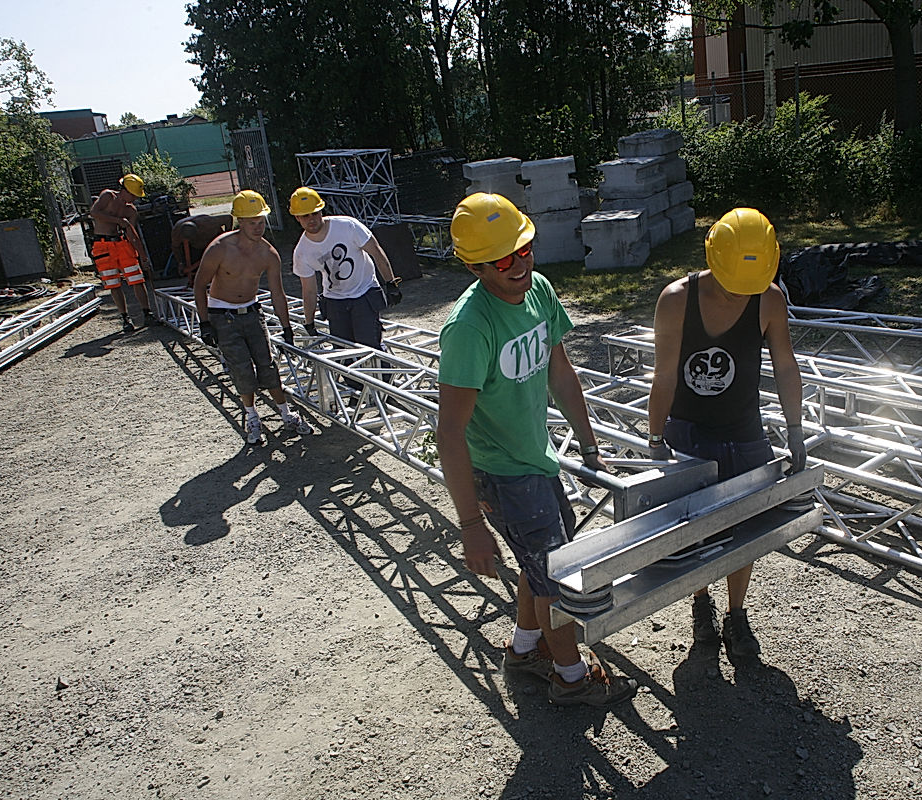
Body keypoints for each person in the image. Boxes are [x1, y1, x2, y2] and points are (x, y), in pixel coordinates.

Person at [435, 192, 638, 707]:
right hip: (503, 473)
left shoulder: (539, 291)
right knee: (554, 580)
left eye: (524, 249)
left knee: (541, 566)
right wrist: (471, 525)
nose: (519, 264)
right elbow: (449, 432)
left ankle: (525, 650)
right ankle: (571, 679)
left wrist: (590, 448)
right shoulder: (470, 327)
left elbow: (561, 373)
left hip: (536, 458)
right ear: (474, 264)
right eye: (503, 258)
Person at [646, 207, 806, 660]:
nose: (741, 297)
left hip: (743, 429)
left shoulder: (769, 299)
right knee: (694, 527)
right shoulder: (677, 300)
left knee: (743, 528)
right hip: (689, 429)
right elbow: (664, 376)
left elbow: (785, 365)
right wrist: (656, 439)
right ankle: (701, 602)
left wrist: (795, 429)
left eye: (749, 290)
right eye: (735, 287)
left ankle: (736, 613)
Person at [193, 190, 313, 445]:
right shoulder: (219, 249)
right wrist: (204, 323)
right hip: (222, 314)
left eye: (261, 222)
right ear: (239, 221)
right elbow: (199, 285)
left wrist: (286, 326)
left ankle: (285, 414)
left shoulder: (268, 254)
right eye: (252, 223)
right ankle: (252, 417)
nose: (258, 228)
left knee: (267, 365)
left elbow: (278, 293)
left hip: (251, 311)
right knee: (241, 369)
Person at [288, 186, 402, 346]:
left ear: (322, 211)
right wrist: (309, 321)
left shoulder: (347, 226)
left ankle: (383, 372)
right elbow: (309, 290)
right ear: (297, 218)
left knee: (370, 346)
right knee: (343, 352)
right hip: (335, 299)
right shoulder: (302, 251)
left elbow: (376, 252)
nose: (311, 219)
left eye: (315, 213)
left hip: (364, 292)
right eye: (305, 216)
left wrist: (391, 283)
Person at [89, 173, 155, 332]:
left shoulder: (131, 210)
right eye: (133, 195)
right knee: (113, 283)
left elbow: (132, 233)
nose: (134, 199)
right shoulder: (107, 196)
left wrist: (143, 256)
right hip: (103, 245)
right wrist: (118, 221)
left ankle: (147, 313)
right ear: (125, 190)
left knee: (136, 279)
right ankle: (125, 317)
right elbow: (94, 213)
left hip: (122, 245)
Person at [170, 214, 231, 288]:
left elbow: (228, 218)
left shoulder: (209, 223)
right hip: (195, 247)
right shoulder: (177, 232)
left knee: (219, 263)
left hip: (213, 239)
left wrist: (228, 240)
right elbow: (175, 247)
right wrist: (180, 262)